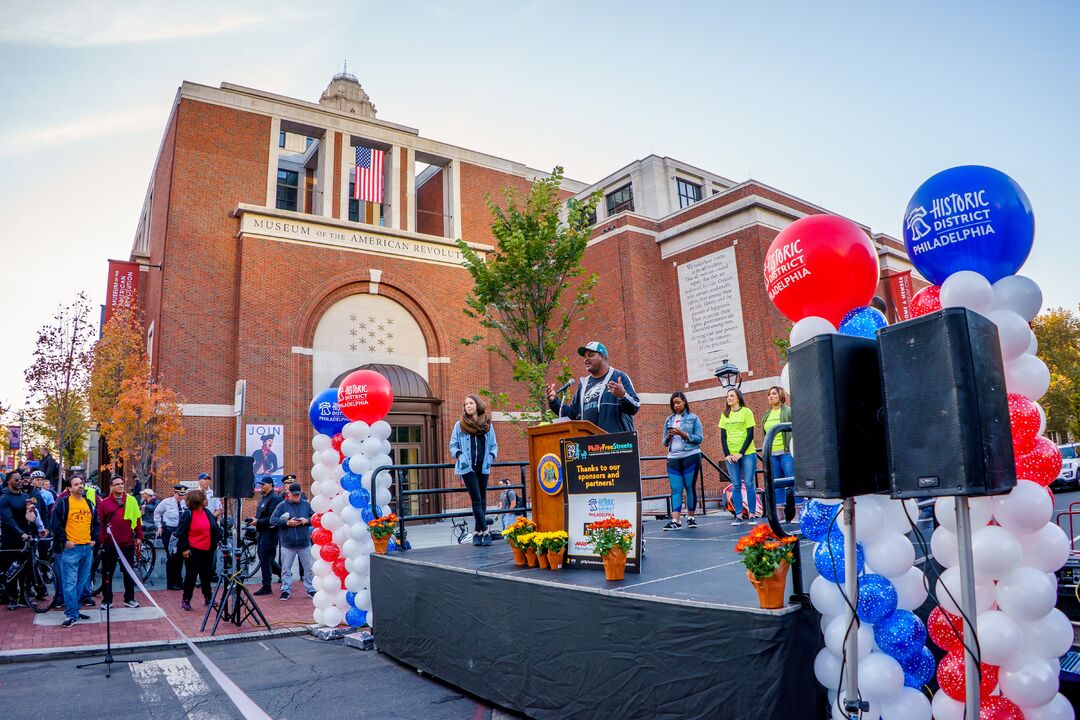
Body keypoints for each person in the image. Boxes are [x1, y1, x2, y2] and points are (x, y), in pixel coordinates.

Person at [546, 341, 640, 433]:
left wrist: (622, 395)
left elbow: (635, 406)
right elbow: (573, 415)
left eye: (590, 355)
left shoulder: (618, 377)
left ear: (602, 356)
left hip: (617, 445)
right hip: (590, 445)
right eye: (585, 357)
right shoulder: (583, 385)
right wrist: (554, 401)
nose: (586, 359)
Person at [449, 394, 499, 547]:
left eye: (471, 403)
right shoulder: (460, 425)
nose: (468, 406)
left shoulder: (488, 425)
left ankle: (477, 533)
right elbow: (453, 445)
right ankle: (485, 531)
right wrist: (460, 457)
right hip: (467, 468)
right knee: (476, 499)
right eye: (466, 404)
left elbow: (494, 446)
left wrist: (490, 458)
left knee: (483, 499)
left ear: (477, 405)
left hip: (483, 467)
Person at [50, 476, 97, 628]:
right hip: (71, 549)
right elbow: (54, 524)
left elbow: (96, 523)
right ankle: (71, 614)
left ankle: (75, 610)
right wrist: (65, 541)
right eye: (76, 484)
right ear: (69, 488)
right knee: (69, 583)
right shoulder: (63, 503)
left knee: (81, 582)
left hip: (87, 548)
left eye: (81, 484)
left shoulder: (89, 503)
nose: (80, 486)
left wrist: (94, 539)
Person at [96, 476, 143, 608]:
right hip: (110, 544)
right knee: (107, 572)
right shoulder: (104, 503)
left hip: (127, 543)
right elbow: (100, 523)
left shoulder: (131, 500)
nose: (121, 486)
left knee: (129, 572)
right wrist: (102, 540)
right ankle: (107, 600)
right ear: (111, 487)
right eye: (117, 484)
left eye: (122, 483)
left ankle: (129, 598)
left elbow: (137, 519)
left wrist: (139, 536)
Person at [662, 392, 703, 531]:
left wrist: (682, 434)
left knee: (690, 487)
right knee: (676, 489)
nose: (676, 405)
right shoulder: (669, 420)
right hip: (673, 457)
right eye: (674, 403)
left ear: (684, 402)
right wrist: (668, 436)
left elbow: (699, 438)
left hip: (691, 455)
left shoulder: (693, 418)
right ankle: (676, 520)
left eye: (678, 402)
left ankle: (691, 518)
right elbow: (664, 442)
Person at [175, 489, 221, 610]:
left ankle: (208, 597)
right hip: (193, 550)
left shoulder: (207, 512)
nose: (206, 500)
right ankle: (186, 599)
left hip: (207, 549)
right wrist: (184, 548)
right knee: (191, 575)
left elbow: (214, 527)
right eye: (204, 498)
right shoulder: (188, 514)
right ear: (198, 500)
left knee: (206, 575)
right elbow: (182, 532)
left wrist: (215, 541)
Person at [270, 482, 315, 600]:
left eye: (298, 495)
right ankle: (286, 589)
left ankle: (310, 588)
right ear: (288, 494)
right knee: (286, 569)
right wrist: (287, 522)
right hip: (288, 544)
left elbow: (315, 518)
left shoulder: (306, 504)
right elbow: (272, 520)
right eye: (293, 495)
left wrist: (307, 520)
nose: (296, 497)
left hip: (304, 543)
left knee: (309, 568)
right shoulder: (282, 505)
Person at [720, 388, 757, 526]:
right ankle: (739, 515)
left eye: (731, 396)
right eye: (727, 396)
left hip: (747, 453)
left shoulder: (746, 412)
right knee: (735, 485)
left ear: (738, 398)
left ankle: (752, 515)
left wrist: (740, 453)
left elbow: (750, 434)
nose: (729, 398)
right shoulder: (725, 414)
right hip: (731, 456)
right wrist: (727, 455)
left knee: (748, 483)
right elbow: (723, 437)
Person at [0, 470, 37, 609]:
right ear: (9, 482)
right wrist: (21, 534)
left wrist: (31, 513)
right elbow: (8, 520)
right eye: (16, 480)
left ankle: (24, 597)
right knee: (11, 570)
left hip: (25, 538)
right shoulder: (4, 499)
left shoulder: (25, 497)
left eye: (20, 479)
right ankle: (12, 598)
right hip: (10, 539)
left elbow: (30, 518)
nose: (19, 481)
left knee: (25, 569)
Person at [252, 476, 283, 596]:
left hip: (270, 533)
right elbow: (261, 514)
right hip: (262, 532)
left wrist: (258, 522)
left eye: (263, 484)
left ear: (270, 484)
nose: (261, 486)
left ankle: (267, 586)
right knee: (265, 558)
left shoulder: (274, 498)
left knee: (265, 559)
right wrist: (255, 520)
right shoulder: (264, 497)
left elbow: (272, 518)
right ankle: (283, 574)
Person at [154, 484, 187, 590]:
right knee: (172, 557)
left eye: (182, 495)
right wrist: (159, 526)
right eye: (179, 494)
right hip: (169, 532)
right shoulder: (166, 502)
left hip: (181, 532)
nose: (180, 497)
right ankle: (171, 582)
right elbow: (157, 513)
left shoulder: (184, 503)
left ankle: (179, 581)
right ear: (175, 493)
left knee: (180, 557)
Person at [762, 386, 794, 483]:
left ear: (780, 396)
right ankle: (780, 500)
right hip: (772, 455)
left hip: (787, 453)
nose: (770, 396)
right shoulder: (766, 414)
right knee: (776, 485)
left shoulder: (788, 411)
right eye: (769, 394)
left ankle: (799, 499)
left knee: (793, 482)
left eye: (774, 394)